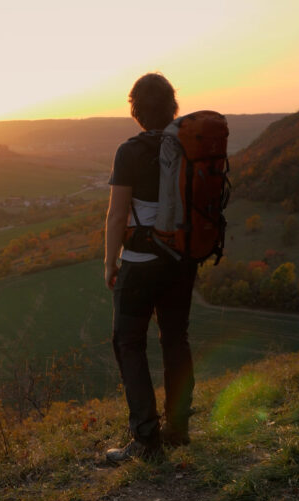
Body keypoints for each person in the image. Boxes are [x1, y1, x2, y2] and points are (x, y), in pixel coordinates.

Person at [104, 73, 197, 463]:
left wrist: (110, 261)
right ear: (173, 107)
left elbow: (117, 214)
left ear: (136, 111)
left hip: (140, 264)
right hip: (182, 260)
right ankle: (177, 430)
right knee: (175, 339)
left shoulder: (130, 152)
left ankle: (146, 440)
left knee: (129, 343)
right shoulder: (190, 145)